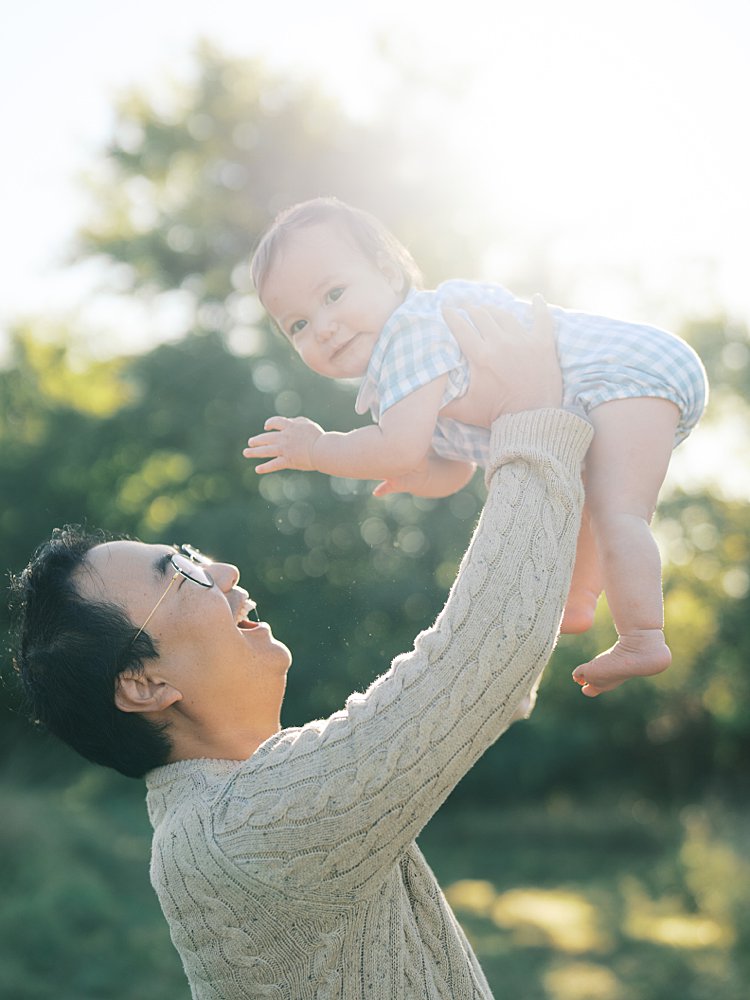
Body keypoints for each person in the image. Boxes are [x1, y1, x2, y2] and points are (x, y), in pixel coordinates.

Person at [11, 305, 593, 999]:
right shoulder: (243, 832)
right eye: (182, 573)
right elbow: (485, 656)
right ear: (142, 684)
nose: (223, 573)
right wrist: (531, 413)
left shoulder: (235, 808)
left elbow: (487, 670)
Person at [244, 196, 708, 698]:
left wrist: (318, 449)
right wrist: (422, 474)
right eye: (298, 325)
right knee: (597, 500)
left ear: (386, 273)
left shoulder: (410, 333)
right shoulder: (402, 379)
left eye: (333, 294)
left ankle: (642, 637)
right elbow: (458, 468)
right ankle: (578, 597)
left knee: (620, 512)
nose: (324, 326)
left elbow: (394, 448)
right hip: (611, 392)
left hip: (622, 372)